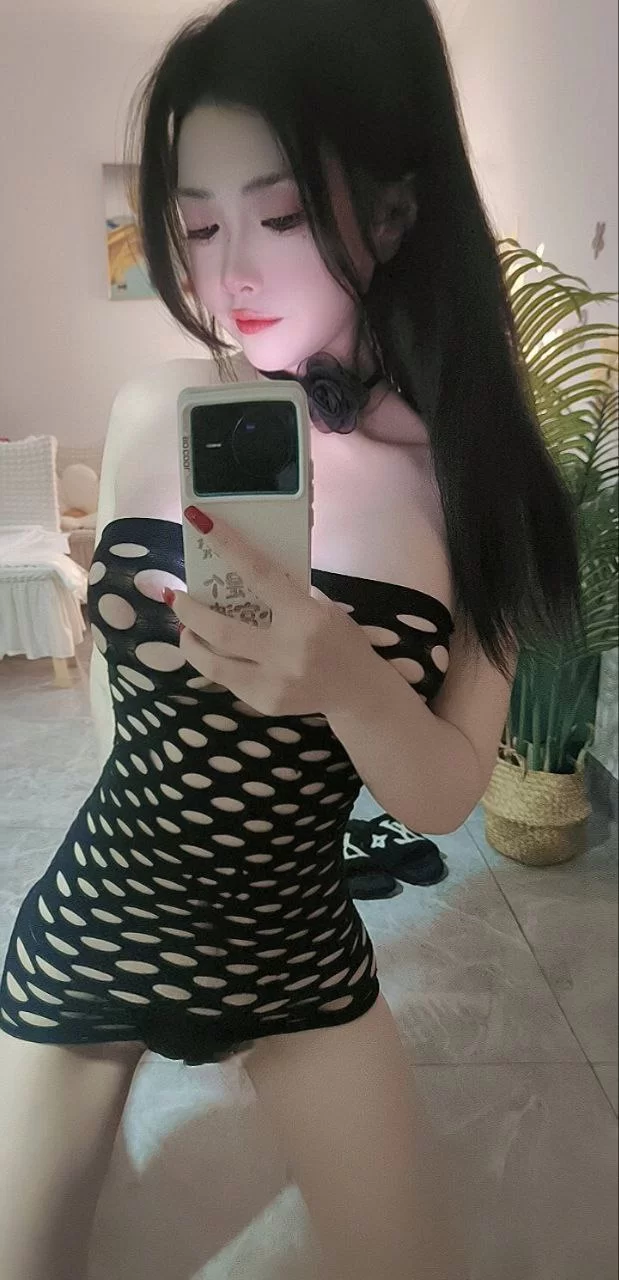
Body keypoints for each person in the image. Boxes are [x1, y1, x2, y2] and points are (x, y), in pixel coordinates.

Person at [0, 1, 583, 1277]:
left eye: (276, 216)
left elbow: (443, 794)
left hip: (296, 944)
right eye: (199, 226)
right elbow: (108, 687)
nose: (230, 278)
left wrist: (344, 678)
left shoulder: (475, 489)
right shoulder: (156, 407)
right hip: (103, 909)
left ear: (394, 210)